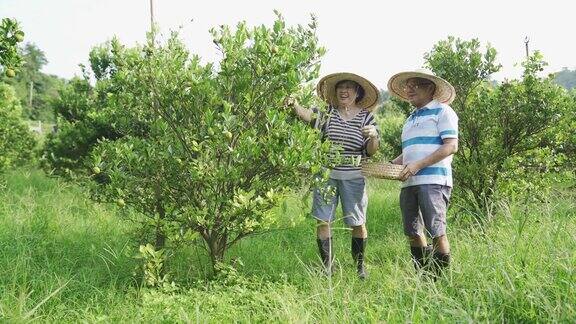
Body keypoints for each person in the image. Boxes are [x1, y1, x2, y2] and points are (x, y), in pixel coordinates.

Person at [286, 72, 380, 279]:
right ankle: (328, 267)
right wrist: (294, 105)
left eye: (348, 87)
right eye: (340, 87)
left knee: (357, 222)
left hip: (354, 177)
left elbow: (372, 150)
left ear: (357, 92)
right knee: (323, 220)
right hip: (326, 176)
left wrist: (373, 135)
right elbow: (306, 115)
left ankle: (359, 267)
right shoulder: (327, 113)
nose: (343, 90)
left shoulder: (366, 117)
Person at [387, 69, 458, 277]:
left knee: (436, 231)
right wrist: (391, 164)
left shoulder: (443, 111)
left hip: (434, 181)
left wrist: (418, 165)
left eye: (415, 85)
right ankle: (425, 279)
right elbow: (409, 152)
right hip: (410, 183)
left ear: (430, 88)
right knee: (413, 232)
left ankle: (441, 279)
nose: (409, 89)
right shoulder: (409, 120)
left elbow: (451, 146)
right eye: (407, 86)